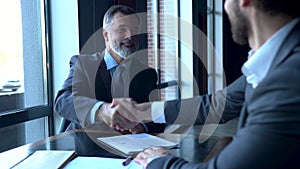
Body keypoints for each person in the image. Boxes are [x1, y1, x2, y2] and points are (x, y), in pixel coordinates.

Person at [112, 0, 300, 168]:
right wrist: (141, 111)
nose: (225, 6)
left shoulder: (289, 78)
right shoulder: (275, 63)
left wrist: (158, 162)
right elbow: (216, 104)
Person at [54, 5, 165, 134]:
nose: (130, 36)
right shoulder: (83, 65)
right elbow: (63, 101)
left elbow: (157, 118)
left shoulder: (147, 74)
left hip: (131, 146)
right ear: (106, 35)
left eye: (134, 30)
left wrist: (143, 127)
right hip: (88, 145)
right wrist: (102, 110)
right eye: (122, 29)